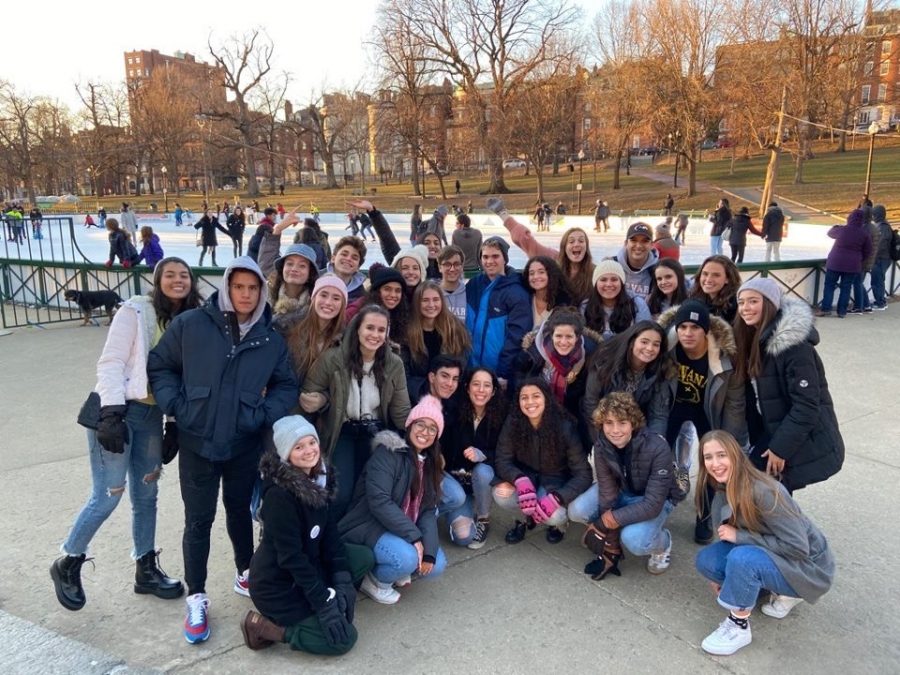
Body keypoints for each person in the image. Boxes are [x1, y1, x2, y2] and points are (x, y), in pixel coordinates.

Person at [147, 256, 298, 644]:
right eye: (238, 287)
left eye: (253, 288)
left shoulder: (268, 338)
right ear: (227, 288)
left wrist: (263, 414)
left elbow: (286, 385)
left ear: (262, 292)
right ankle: (196, 594)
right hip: (197, 441)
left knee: (238, 512)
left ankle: (247, 572)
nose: (245, 295)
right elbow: (160, 365)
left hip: (242, 443)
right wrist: (176, 406)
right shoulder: (192, 324)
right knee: (198, 520)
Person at [50, 257, 203, 613]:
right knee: (108, 493)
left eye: (185, 275)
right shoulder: (136, 310)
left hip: (151, 414)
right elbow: (111, 362)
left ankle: (145, 568)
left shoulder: (190, 319)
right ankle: (69, 560)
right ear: (157, 280)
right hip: (116, 411)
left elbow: (186, 375)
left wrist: (174, 423)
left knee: (147, 494)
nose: (178, 280)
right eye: (170, 274)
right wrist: (111, 414)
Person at [242, 416, 374, 655]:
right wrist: (324, 603)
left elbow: (330, 534)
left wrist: (342, 580)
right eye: (298, 446)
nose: (309, 451)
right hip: (279, 585)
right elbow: (291, 558)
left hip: (310, 565)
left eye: (311, 442)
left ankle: (330, 596)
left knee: (363, 557)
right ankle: (268, 628)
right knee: (344, 640)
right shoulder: (279, 497)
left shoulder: (321, 477)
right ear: (286, 453)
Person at [694, 430, 834, 656]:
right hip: (776, 555)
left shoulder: (765, 491)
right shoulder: (722, 490)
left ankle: (739, 627)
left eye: (722, 455)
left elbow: (798, 548)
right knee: (707, 560)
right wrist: (731, 578)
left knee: (742, 559)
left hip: (809, 568)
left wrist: (740, 538)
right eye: (708, 457)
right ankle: (755, 588)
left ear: (736, 456)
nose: (715, 463)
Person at [733, 278, 844, 492]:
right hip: (772, 428)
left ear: (770, 304)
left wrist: (779, 449)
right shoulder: (753, 336)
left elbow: (807, 406)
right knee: (773, 495)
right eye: (741, 302)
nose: (745, 308)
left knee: (763, 492)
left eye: (753, 301)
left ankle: (788, 526)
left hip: (794, 434)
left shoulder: (794, 347)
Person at [300, 305, 411, 516]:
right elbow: (310, 392)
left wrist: (418, 433)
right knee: (341, 494)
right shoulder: (334, 358)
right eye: (370, 328)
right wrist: (324, 399)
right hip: (343, 430)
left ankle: (362, 537)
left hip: (377, 431)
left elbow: (401, 409)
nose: (375, 335)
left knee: (373, 491)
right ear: (357, 329)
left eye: (381, 330)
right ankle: (335, 537)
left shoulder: (393, 363)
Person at [338, 396, 448, 604]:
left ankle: (397, 566)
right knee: (406, 558)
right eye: (420, 425)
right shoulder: (389, 452)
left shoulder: (431, 463)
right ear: (409, 425)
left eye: (432, 428)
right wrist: (415, 538)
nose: (425, 432)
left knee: (436, 565)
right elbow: (379, 501)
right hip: (369, 524)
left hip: (400, 527)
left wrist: (429, 552)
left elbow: (427, 510)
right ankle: (373, 581)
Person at [658, 300, 747, 545]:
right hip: (675, 405)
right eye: (682, 326)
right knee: (657, 452)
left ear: (705, 330)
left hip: (707, 410)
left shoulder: (724, 359)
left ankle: (704, 515)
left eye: (695, 327)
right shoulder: (666, 349)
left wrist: (730, 440)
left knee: (713, 462)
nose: (687, 333)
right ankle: (657, 504)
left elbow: (735, 403)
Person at [571, 392, 684, 580]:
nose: (615, 430)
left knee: (635, 540)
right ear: (601, 424)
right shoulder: (601, 446)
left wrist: (605, 522)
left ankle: (663, 544)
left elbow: (652, 504)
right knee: (577, 510)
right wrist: (611, 547)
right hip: (623, 490)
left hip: (656, 498)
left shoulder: (658, 447)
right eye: (609, 423)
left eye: (622, 422)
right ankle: (614, 535)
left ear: (633, 423)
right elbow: (607, 494)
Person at [493, 379, 592, 544]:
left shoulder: (564, 426)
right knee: (501, 495)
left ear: (546, 397)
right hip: (526, 477)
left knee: (555, 515)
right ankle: (523, 519)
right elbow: (502, 459)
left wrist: (558, 498)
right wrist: (518, 479)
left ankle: (558, 525)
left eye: (536, 396)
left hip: (554, 481)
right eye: (524, 397)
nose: (530, 402)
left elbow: (583, 474)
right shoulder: (513, 422)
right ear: (518, 401)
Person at [516, 307, 602, 449]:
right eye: (558, 336)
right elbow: (519, 380)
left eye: (569, 337)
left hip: (572, 415)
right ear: (551, 335)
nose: (563, 342)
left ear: (578, 337)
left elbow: (586, 398)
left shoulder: (589, 355)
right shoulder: (533, 352)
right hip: (538, 411)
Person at [441, 367, 507, 550]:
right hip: (457, 483)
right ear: (467, 387)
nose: (481, 390)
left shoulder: (502, 416)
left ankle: (483, 517)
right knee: (463, 537)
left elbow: (507, 454)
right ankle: (459, 509)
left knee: (483, 470)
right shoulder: (453, 412)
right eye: (476, 384)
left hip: (481, 481)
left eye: (487, 385)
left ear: (493, 391)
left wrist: (484, 454)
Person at [487, 197, 596, 305]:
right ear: (564, 246)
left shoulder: (595, 271)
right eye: (571, 241)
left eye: (581, 241)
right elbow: (527, 241)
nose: (576, 244)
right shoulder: (553, 260)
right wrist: (503, 214)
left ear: (586, 247)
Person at [582, 320, 673, 442]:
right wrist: (603, 441)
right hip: (601, 427)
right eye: (644, 342)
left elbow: (658, 415)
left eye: (656, 344)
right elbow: (591, 404)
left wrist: (655, 445)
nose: (650, 348)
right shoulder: (605, 363)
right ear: (632, 342)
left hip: (636, 429)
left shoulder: (660, 370)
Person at [465, 236, 533, 383]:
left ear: (505, 259)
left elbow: (517, 336)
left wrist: (504, 371)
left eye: (495, 256)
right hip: (470, 368)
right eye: (485, 257)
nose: (489, 261)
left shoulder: (516, 292)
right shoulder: (473, 285)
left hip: (497, 372)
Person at [402, 281, 471, 400]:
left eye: (435, 299)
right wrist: (426, 389)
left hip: (449, 396)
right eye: (425, 300)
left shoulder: (456, 329)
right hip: (417, 396)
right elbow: (404, 374)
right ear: (417, 303)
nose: (431, 304)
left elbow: (461, 365)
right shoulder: (407, 333)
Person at [285, 275, 348, 384]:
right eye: (323, 295)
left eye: (336, 298)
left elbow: (340, 383)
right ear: (313, 298)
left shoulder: (345, 339)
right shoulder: (287, 327)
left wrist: (323, 397)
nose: (328, 302)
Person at [816, 208, 872, 318]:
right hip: (852, 265)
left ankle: (825, 309)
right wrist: (859, 259)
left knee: (829, 286)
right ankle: (841, 311)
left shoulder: (842, 229)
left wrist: (837, 226)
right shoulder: (864, 234)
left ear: (850, 218)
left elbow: (830, 233)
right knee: (846, 288)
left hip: (835, 262)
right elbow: (868, 251)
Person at [582, 259, 651, 339]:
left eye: (614, 279)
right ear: (596, 283)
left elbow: (645, 336)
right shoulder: (585, 306)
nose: (608, 284)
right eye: (603, 280)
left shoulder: (637, 304)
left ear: (621, 283)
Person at [268, 244, 319, 336]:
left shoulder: (316, 303)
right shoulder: (266, 295)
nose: (294, 269)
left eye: (302, 266)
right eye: (290, 264)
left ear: (310, 273)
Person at [345, 266, 409, 339]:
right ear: (377, 291)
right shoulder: (356, 310)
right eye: (387, 289)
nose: (393, 295)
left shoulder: (399, 313)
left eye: (398, 291)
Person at [611, 222, 660, 300]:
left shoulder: (659, 270)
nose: (638, 246)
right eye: (633, 240)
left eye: (645, 241)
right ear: (626, 243)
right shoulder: (612, 266)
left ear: (652, 245)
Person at [522, 255, 573, 325]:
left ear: (551, 274)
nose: (535, 277)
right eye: (531, 273)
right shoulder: (524, 300)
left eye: (541, 272)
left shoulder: (564, 303)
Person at [689, 255, 741, 323]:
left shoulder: (738, 304)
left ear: (728, 279)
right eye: (705, 274)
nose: (708, 279)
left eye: (716, 275)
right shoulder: (693, 298)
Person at [326, 236, 368, 302]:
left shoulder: (360, 296)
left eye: (354, 258)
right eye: (344, 254)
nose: (348, 259)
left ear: (358, 267)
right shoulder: (315, 280)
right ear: (333, 258)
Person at [870, 204, 892, 310]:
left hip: (881, 259)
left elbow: (880, 245)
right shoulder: (882, 225)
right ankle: (879, 300)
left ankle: (880, 302)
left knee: (877, 280)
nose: (872, 217)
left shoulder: (883, 227)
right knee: (878, 280)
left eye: (874, 215)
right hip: (881, 258)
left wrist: (872, 256)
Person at [438, 245, 467, 320]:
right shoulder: (433, 294)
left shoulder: (470, 294)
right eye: (447, 264)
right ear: (440, 267)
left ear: (462, 267)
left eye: (456, 264)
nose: (452, 269)